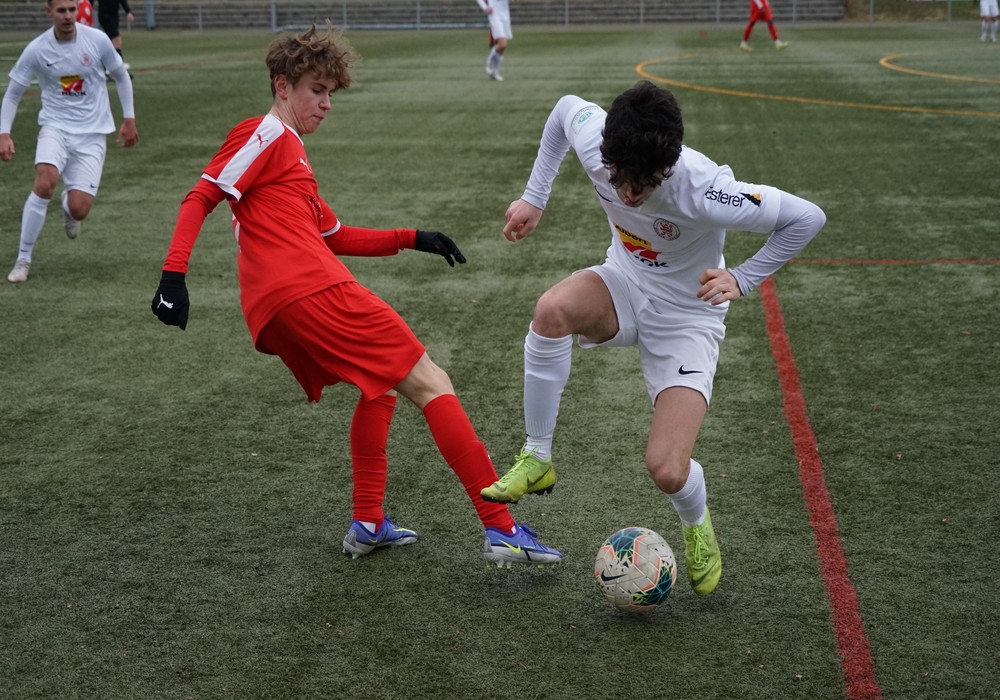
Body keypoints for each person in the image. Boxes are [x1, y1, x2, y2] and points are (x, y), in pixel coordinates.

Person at [150, 22, 563, 569]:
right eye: (315, 90)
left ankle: (368, 523)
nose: (326, 103)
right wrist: (173, 276)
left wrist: (414, 238)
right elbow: (201, 195)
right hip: (311, 289)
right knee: (431, 380)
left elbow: (335, 235)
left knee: (380, 388)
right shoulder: (266, 134)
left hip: (279, 305)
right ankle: (502, 529)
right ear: (282, 86)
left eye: (330, 93)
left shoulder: (293, 158)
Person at [481, 81, 825, 595]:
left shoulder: (704, 189)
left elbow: (807, 217)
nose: (627, 195)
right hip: (623, 284)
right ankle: (537, 456)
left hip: (688, 317)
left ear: (668, 166)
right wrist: (535, 196)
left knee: (666, 469)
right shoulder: (599, 140)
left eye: (643, 187)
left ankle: (696, 521)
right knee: (551, 310)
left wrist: (743, 278)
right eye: (620, 179)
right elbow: (564, 110)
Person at [1, 0, 138, 284]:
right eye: (61, 10)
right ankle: (23, 259)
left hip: (92, 133)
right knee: (44, 183)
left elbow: (121, 76)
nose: (67, 16)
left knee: (79, 209)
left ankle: (68, 206)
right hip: (55, 128)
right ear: (49, 12)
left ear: (79, 10)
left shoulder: (97, 40)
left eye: (72, 10)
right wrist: (4, 133)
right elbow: (13, 94)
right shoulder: (37, 48)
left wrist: (129, 118)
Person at [476, 0, 511, 81]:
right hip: (494, 15)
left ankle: (495, 72)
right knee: (503, 44)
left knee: (501, 48)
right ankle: (488, 61)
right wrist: (485, 7)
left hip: (505, 16)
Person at [96, 0, 134, 69]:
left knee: (109, 43)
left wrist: (128, 11)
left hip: (114, 15)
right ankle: (121, 69)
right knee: (116, 40)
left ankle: (105, 67)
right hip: (105, 15)